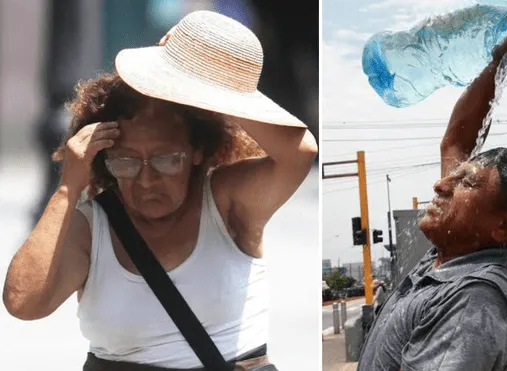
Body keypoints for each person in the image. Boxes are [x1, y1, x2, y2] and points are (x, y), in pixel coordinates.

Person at [3, 11, 317, 370]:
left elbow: (299, 154)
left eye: (167, 160)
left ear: (198, 151)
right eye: (126, 162)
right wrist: (68, 187)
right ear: (104, 158)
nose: (146, 180)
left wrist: (210, 79)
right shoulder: (92, 224)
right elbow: (23, 302)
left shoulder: (227, 200)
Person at [357, 5, 507, 371]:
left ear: (505, 226)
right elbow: (457, 140)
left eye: (466, 182)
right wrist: (504, 58)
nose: (441, 183)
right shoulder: (450, 258)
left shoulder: (473, 300)